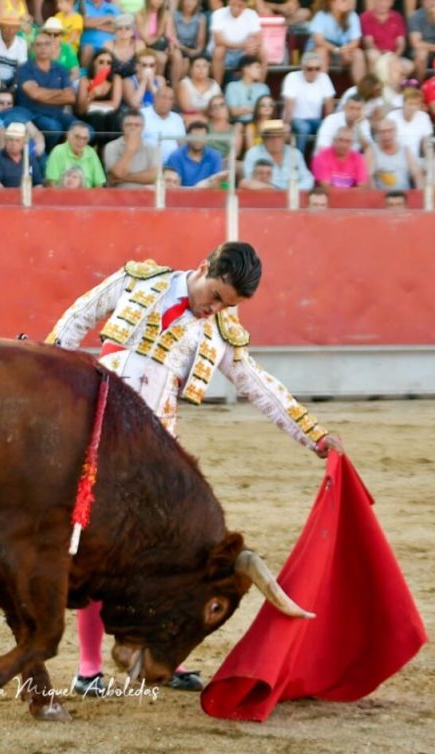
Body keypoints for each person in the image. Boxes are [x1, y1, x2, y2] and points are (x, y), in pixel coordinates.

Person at [45, 243, 344, 696]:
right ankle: (88, 670)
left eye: (228, 305)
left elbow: (259, 387)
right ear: (204, 268)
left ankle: (169, 656)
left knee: (176, 563)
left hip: (157, 457)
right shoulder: (138, 280)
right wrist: (46, 367)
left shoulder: (221, 330)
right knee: (94, 552)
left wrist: (314, 435)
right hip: (96, 438)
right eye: (217, 296)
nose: (217, 309)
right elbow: (78, 318)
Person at [14, 30, 77, 145]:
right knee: (53, 128)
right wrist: (61, 92)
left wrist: (43, 94)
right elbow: (35, 94)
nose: (43, 48)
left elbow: (71, 97)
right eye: (39, 44)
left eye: (47, 44)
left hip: (57, 113)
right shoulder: (25, 69)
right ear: (33, 48)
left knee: (85, 130)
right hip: (34, 114)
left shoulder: (61, 69)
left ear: (53, 47)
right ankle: (48, 156)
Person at [282, 51, 336, 154]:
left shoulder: (324, 78)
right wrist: (287, 124)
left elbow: (329, 105)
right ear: (302, 67)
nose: (314, 72)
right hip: (296, 118)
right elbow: (289, 105)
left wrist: (329, 124)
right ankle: (299, 159)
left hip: (316, 120)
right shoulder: (292, 77)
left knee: (327, 129)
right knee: (303, 128)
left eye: (317, 69)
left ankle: (319, 159)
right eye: (309, 69)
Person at [243, 119, 315, 189]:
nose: (276, 140)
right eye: (271, 137)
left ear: (284, 138)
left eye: (279, 136)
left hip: (293, 195)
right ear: (264, 138)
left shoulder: (295, 153)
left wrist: (293, 190)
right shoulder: (253, 153)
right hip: (265, 195)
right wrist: (274, 190)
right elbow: (248, 180)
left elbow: (308, 178)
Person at [306, 0, 366, 84]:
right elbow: (319, 41)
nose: (347, 2)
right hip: (320, 53)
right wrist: (337, 50)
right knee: (322, 51)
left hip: (342, 54)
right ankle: (320, 89)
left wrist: (346, 49)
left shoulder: (352, 16)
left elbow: (355, 41)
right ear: (331, 3)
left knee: (358, 53)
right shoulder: (321, 16)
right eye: (343, 1)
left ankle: (362, 91)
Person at [209, 0, 263, 84]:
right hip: (225, 54)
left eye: (240, 6)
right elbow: (218, 40)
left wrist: (251, 45)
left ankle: (259, 86)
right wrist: (243, 45)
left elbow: (258, 38)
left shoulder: (251, 14)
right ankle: (217, 87)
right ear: (229, 2)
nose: (236, 8)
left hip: (243, 53)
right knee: (219, 50)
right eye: (233, 4)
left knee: (262, 51)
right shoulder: (218, 13)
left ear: (245, 5)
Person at [103, 108, 161, 188]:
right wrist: (130, 149)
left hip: (145, 196)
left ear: (143, 127)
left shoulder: (152, 148)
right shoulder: (111, 146)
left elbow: (154, 176)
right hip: (118, 196)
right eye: (129, 125)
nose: (133, 128)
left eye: (137, 125)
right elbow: (118, 173)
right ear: (122, 127)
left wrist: (124, 178)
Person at [76, 49, 125, 138]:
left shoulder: (116, 79)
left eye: (108, 63)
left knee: (113, 117)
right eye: (101, 62)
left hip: (110, 115)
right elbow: (81, 110)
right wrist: (91, 95)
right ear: (94, 63)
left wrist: (92, 104)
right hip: (91, 117)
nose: (105, 66)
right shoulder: (85, 81)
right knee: (98, 117)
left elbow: (115, 105)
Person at [164, 120, 227, 187]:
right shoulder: (175, 156)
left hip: (208, 194)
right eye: (195, 136)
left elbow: (216, 182)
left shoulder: (215, 156)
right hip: (182, 194)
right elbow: (175, 185)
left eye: (201, 137)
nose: (198, 140)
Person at [45, 121, 107, 187]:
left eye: (85, 138)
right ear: (68, 136)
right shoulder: (58, 151)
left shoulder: (91, 152)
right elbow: (51, 183)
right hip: (63, 195)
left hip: (87, 196)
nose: (81, 141)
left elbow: (99, 184)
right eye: (77, 137)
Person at [366, 118, 423, 189]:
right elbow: (368, 176)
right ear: (378, 134)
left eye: (389, 131)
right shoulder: (372, 150)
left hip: (404, 195)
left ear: (395, 132)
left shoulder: (405, 150)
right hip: (381, 195)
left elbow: (417, 174)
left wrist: (419, 195)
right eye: (382, 132)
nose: (386, 135)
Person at [0, 121, 42, 187]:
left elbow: (38, 184)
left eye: (17, 140)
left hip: (28, 195)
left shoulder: (30, 159)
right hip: (4, 195)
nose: (13, 143)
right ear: (6, 141)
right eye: (10, 140)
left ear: (23, 143)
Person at [386, 86, 433, 157]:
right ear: (403, 103)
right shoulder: (391, 116)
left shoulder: (424, 117)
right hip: (393, 157)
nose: (413, 107)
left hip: (414, 160)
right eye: (410, 104)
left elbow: (427, 144)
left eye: (416, 104)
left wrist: (429, 162)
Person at [142, 85, 186, 162]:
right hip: (147, 163)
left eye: (170, 99)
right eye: (163, 97)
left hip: (172, 165)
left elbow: (182, 145)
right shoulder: (142, 115)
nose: (166, 101)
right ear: (155, 97)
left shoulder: (177, 119)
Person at [360, 0, 408, 69]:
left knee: (409, 66)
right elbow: (368, 42)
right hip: (376, 53)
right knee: (372, 55)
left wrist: (395, 56)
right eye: (380, 1)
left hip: (393, 55)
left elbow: (401, 44)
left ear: (392, 3)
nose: (382, 4)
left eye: (386, 1)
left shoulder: (397, 17)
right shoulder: (366, 17)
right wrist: (383, 56)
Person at [224, 55, 270, 125]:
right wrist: (257, 109)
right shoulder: (232, 86)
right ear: (246, 69)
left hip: (259, 123)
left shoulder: (263, 87)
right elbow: (233, 111)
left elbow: (267, 110)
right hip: (239, 124)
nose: (260, 70)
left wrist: (244, 109)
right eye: (257, 67)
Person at [176, 54, 221, 126]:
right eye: (197, 66)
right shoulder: (184, 84)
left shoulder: (215, 85)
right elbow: (186, 108)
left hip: (211, 118)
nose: (201, 69)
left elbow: (219, 106)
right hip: (190, 118)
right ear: (191, 69)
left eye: (204, 66)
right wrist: (207, 110)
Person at [0, 13, 30, 89]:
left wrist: (13, 87)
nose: (10, 30)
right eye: (6, 27)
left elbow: (21, 69)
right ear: (1, 27)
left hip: (12, 80)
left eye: (14, 27)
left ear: (18, 29)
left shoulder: (22, 43)